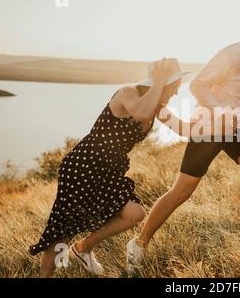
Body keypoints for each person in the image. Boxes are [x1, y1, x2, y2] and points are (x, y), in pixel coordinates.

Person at [126, 14, 240, 274]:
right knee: (182, 192)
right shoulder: (231, 55)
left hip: (236, 127)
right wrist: (223, 113)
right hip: (210, 124)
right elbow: (198, 86)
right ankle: (139, 243)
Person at [29, 58, 191, 277]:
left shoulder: (156, 107)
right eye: (173, 88)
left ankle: (82, 248)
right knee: (64, 230)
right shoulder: (128, 93)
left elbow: (183, 129)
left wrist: (224, 124)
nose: (175, 94)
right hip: (84, 166)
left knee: (134, 213)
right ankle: (46, 275)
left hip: (109, 170)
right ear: (160, 83)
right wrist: (160, 81)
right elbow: (140, 113)